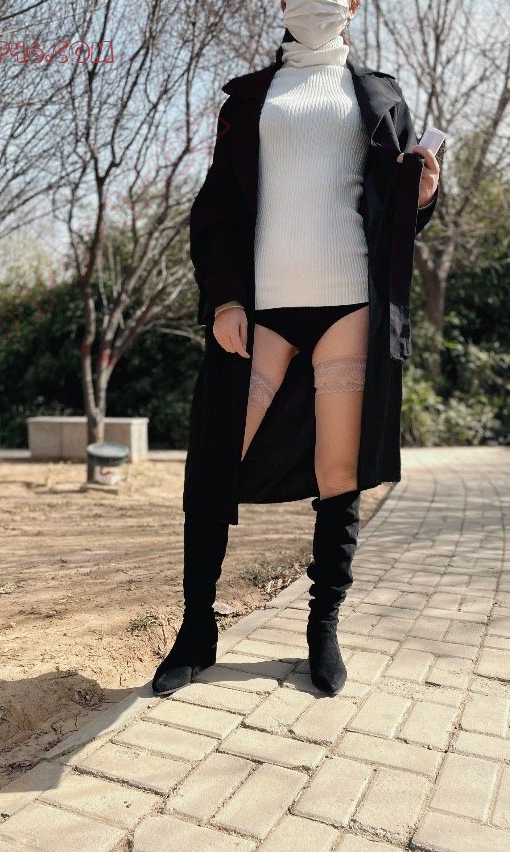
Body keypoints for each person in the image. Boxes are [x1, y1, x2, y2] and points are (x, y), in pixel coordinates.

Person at [153, 0, 440, 697]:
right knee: (215, 459)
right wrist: (225, 298)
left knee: (338, 472)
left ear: (355, 4)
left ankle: (322, 627)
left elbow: (397, 208)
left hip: (350, 301)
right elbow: (217, 205)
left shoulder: (380, 96)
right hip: (263, 306)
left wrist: (424, 197)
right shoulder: (250, 98)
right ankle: (197, 627)